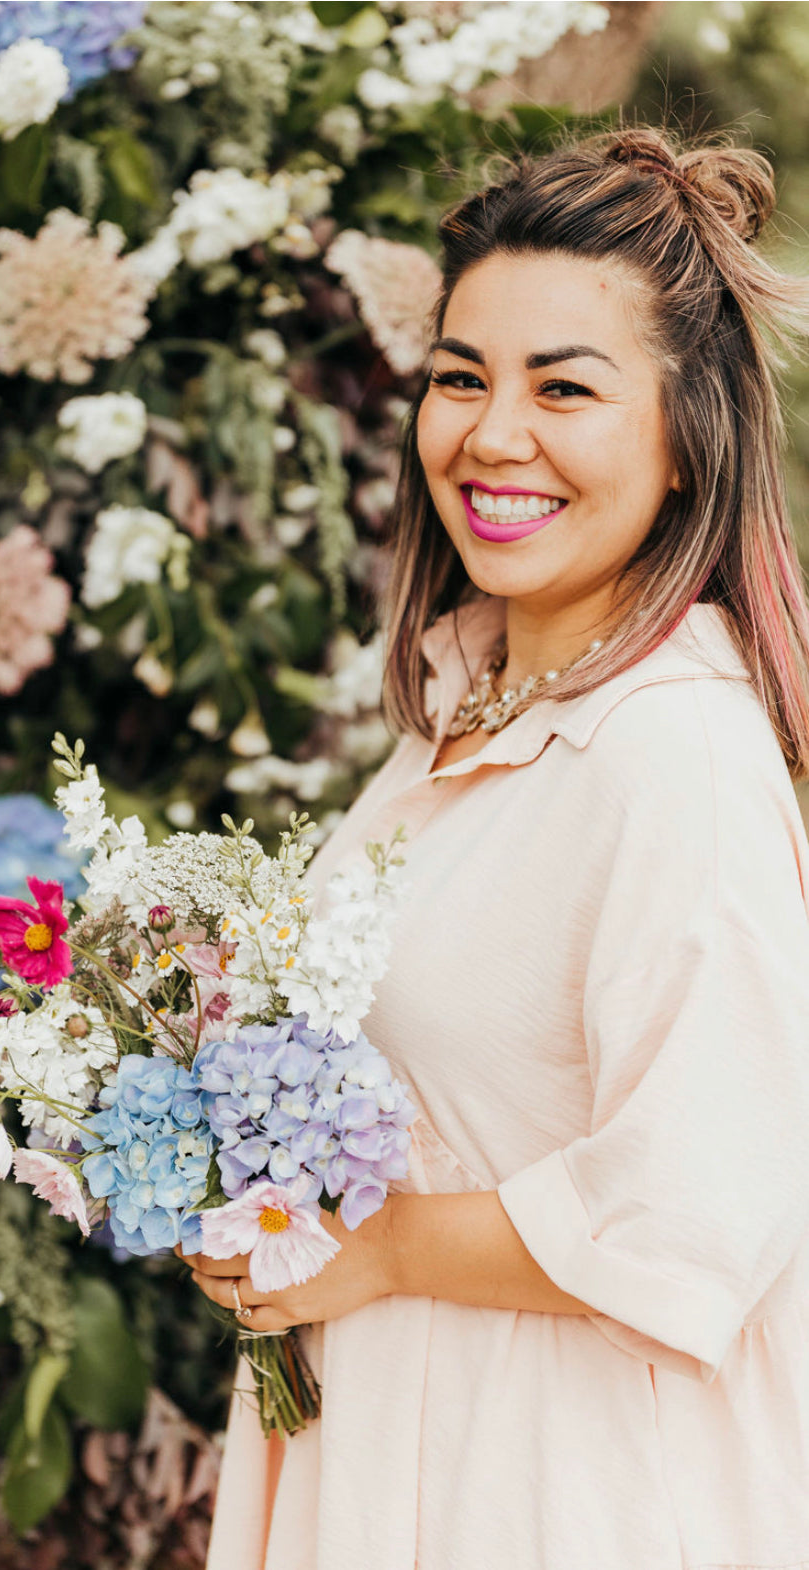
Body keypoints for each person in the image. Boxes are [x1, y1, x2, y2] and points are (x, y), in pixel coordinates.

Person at [188, 128, 809, 1570]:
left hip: (558, 1487)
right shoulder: (469, 707)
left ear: (683, 436)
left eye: (564, 388)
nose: (491, 433)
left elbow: (694, 1206)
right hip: (396, 1443)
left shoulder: (674, 753)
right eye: (460, 375)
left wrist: (386, 1243)